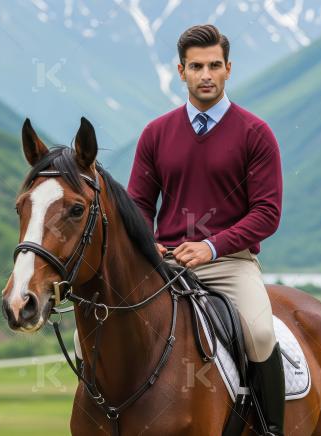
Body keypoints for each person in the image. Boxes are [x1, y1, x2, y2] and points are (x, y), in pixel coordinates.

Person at [126, 24, 285, 435]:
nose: (206, 75)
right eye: (196, 67)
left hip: (230, 263)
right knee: (104, 329)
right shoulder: (156, 134)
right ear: (181, 72)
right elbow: (139, 206)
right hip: (164, 265)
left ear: (229, 69)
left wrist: (211, 247)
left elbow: (267, 213)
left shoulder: (256, 134)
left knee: (261, 333)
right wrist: (152, 245)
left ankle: (270, 430)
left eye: (215, 65)